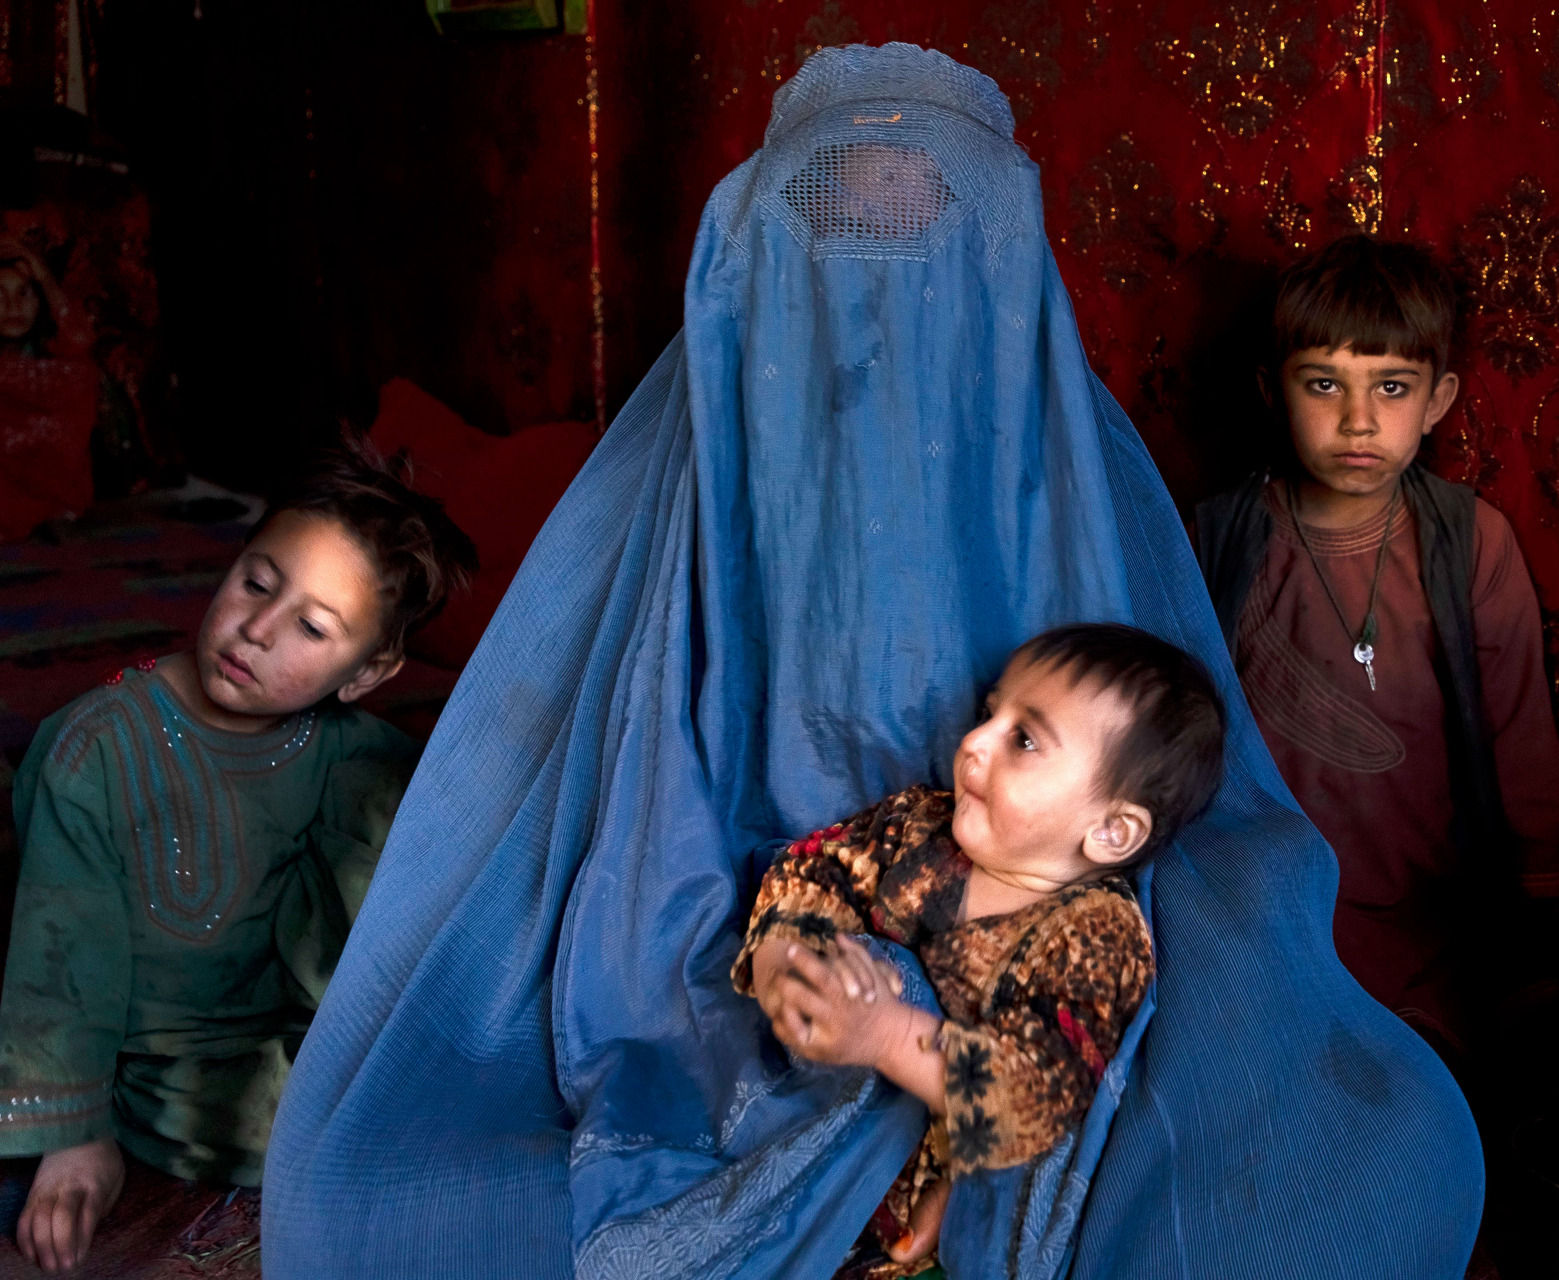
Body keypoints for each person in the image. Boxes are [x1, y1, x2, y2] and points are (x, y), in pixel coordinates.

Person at [265, 44, 1484, 1280]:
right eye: (840, 233)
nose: (878, 294)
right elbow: (664, 818)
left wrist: (926, 1019)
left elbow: (1135, 766)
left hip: (1040, 896)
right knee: (388, 1189)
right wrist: (790, 961)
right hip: (736, 935)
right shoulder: (732, 423)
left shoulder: (1051, 448)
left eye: (923, 239)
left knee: (1383, 1154)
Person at [0, 441, 475, 1272]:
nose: (256, 630)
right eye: (257, 582)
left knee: (466, 1067)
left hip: (312, 1031)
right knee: (348, 1130)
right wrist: (74, 1137)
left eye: (311, 628)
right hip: (175, 1067)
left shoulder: (360, 755)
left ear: (366, 672)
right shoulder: (95, 753)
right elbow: (61, 957)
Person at [1191, 233, 1559, 1065]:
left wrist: (1548, 912)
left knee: (1413, 1086)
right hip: (1262, 908)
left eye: (1392, 388)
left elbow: (1522, 743)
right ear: (1272, 391)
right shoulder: (1219, 537)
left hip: (1432, 925)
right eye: (1323, 384)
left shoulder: (1470, 543)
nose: (1358, 421)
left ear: (1437, 400)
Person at [737, 624, 1222, 1277]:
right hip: (791, 1124)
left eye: (1024, 740)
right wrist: (782, 963)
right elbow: (813, 873)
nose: (974, 742)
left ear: (1111, 831)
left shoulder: (1097, 939)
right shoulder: (919, 825)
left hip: (906, 1213)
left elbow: (1031, 1095)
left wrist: (885, 1035)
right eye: (990, 714)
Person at [0, 238, 98, 539]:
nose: (13, 306)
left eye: (25, 293)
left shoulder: (53, 356)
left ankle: (50, 507)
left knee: (82, 375)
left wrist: (43, 274)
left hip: (47, 476)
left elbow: (81, 339)